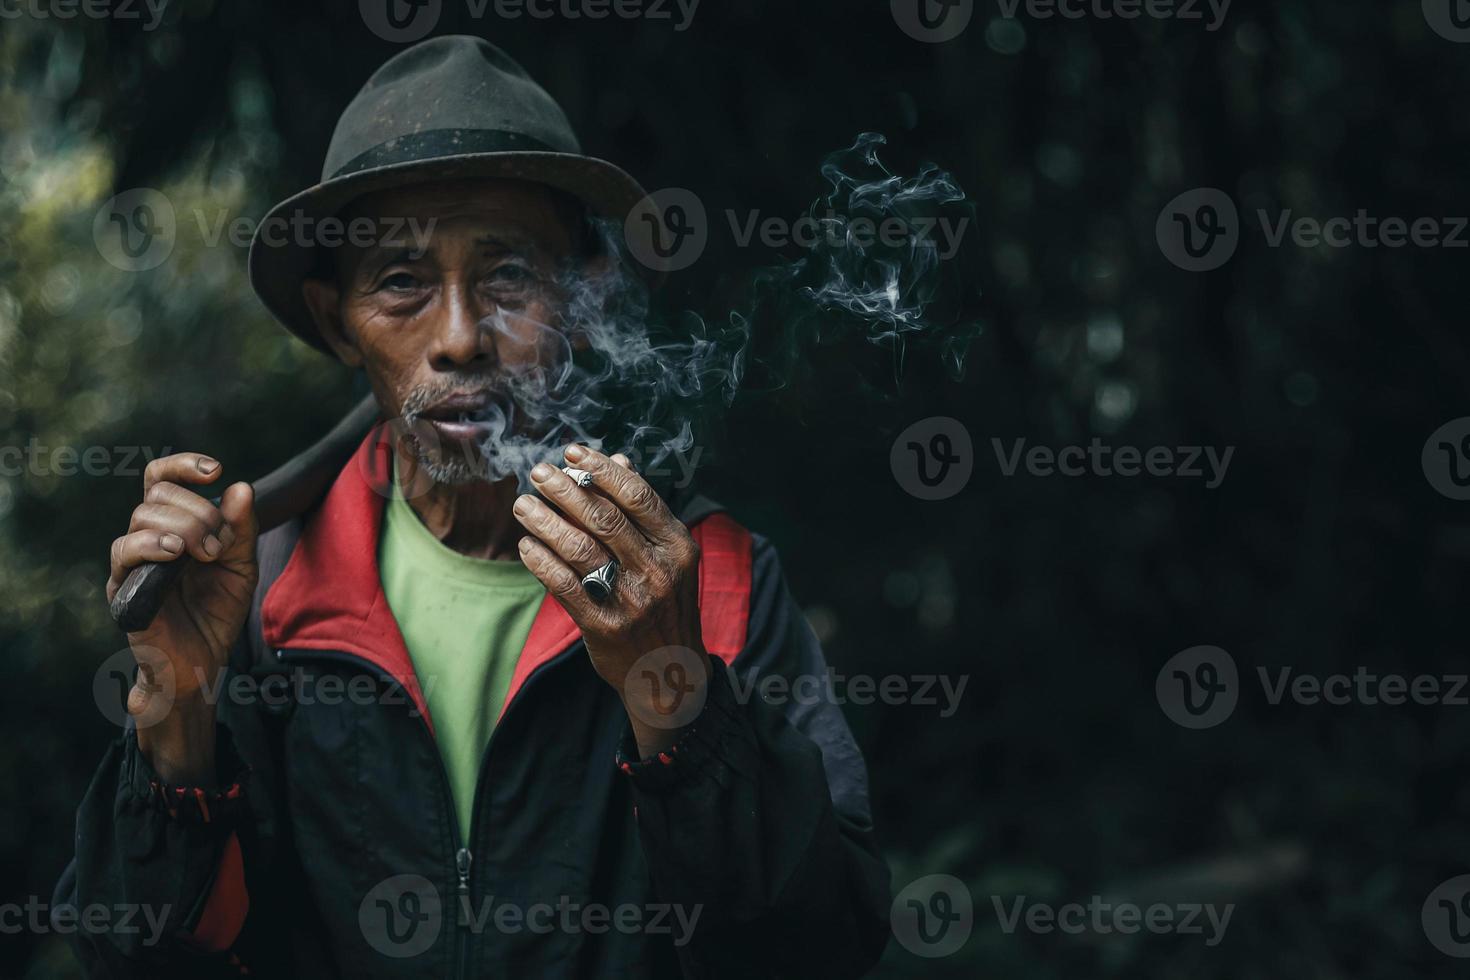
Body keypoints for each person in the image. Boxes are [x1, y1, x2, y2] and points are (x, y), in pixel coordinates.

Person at [55, 35, 890, 978]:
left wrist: (678, 696)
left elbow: (821, 947)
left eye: (509, 275)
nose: (459, 338)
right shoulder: (255, 599)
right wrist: (175, 709)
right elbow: (135, 960)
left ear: (584, 299)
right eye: (402, 281)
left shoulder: (710, 578)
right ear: (338, 321)